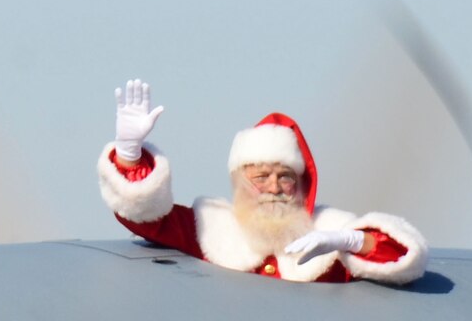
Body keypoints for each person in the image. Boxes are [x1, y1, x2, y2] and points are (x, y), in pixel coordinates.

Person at [96, 79, 425, 285]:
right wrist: (129, 153)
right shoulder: (209, 228)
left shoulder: (329, 234)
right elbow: (145, 216)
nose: (274, 187)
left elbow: (404, 258)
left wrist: (351, 241)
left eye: (285, 177)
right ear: (240, 183)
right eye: (261, 177)